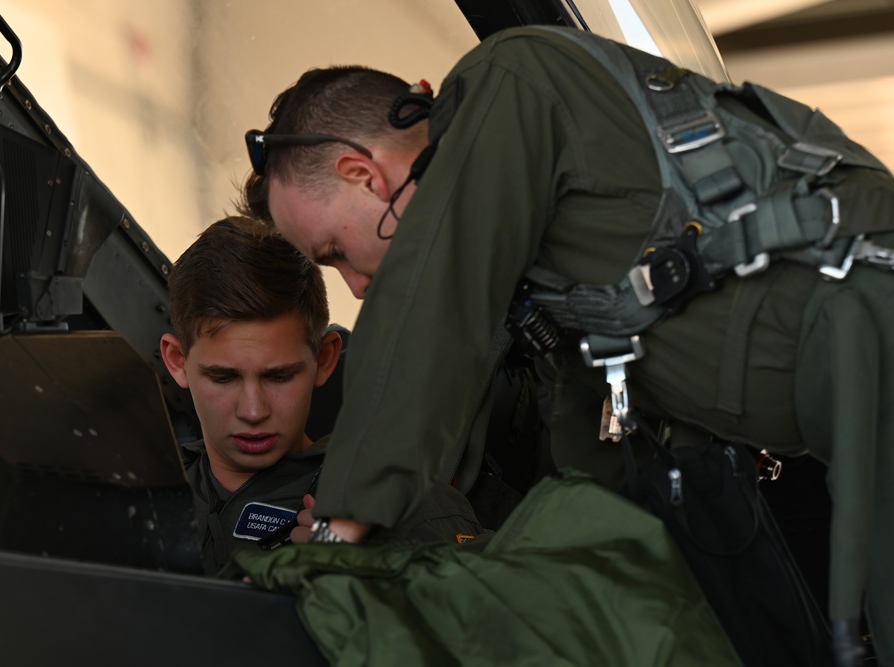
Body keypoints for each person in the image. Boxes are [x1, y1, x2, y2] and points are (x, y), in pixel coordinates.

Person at [239, 26, 894, 663]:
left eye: (336, 254)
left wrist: (336, 530)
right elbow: (596, 462)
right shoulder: (551, 252)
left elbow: (431, 302)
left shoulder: (510, 79)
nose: (356, 288)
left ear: (364, 175)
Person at [160, 216, 484, 574]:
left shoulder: (399, 507)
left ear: (325, 357)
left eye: (279, 376)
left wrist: (386, 568)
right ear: (177, 361)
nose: (253, 411)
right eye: (223, 377)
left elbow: (500, 612)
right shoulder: (138, 490)